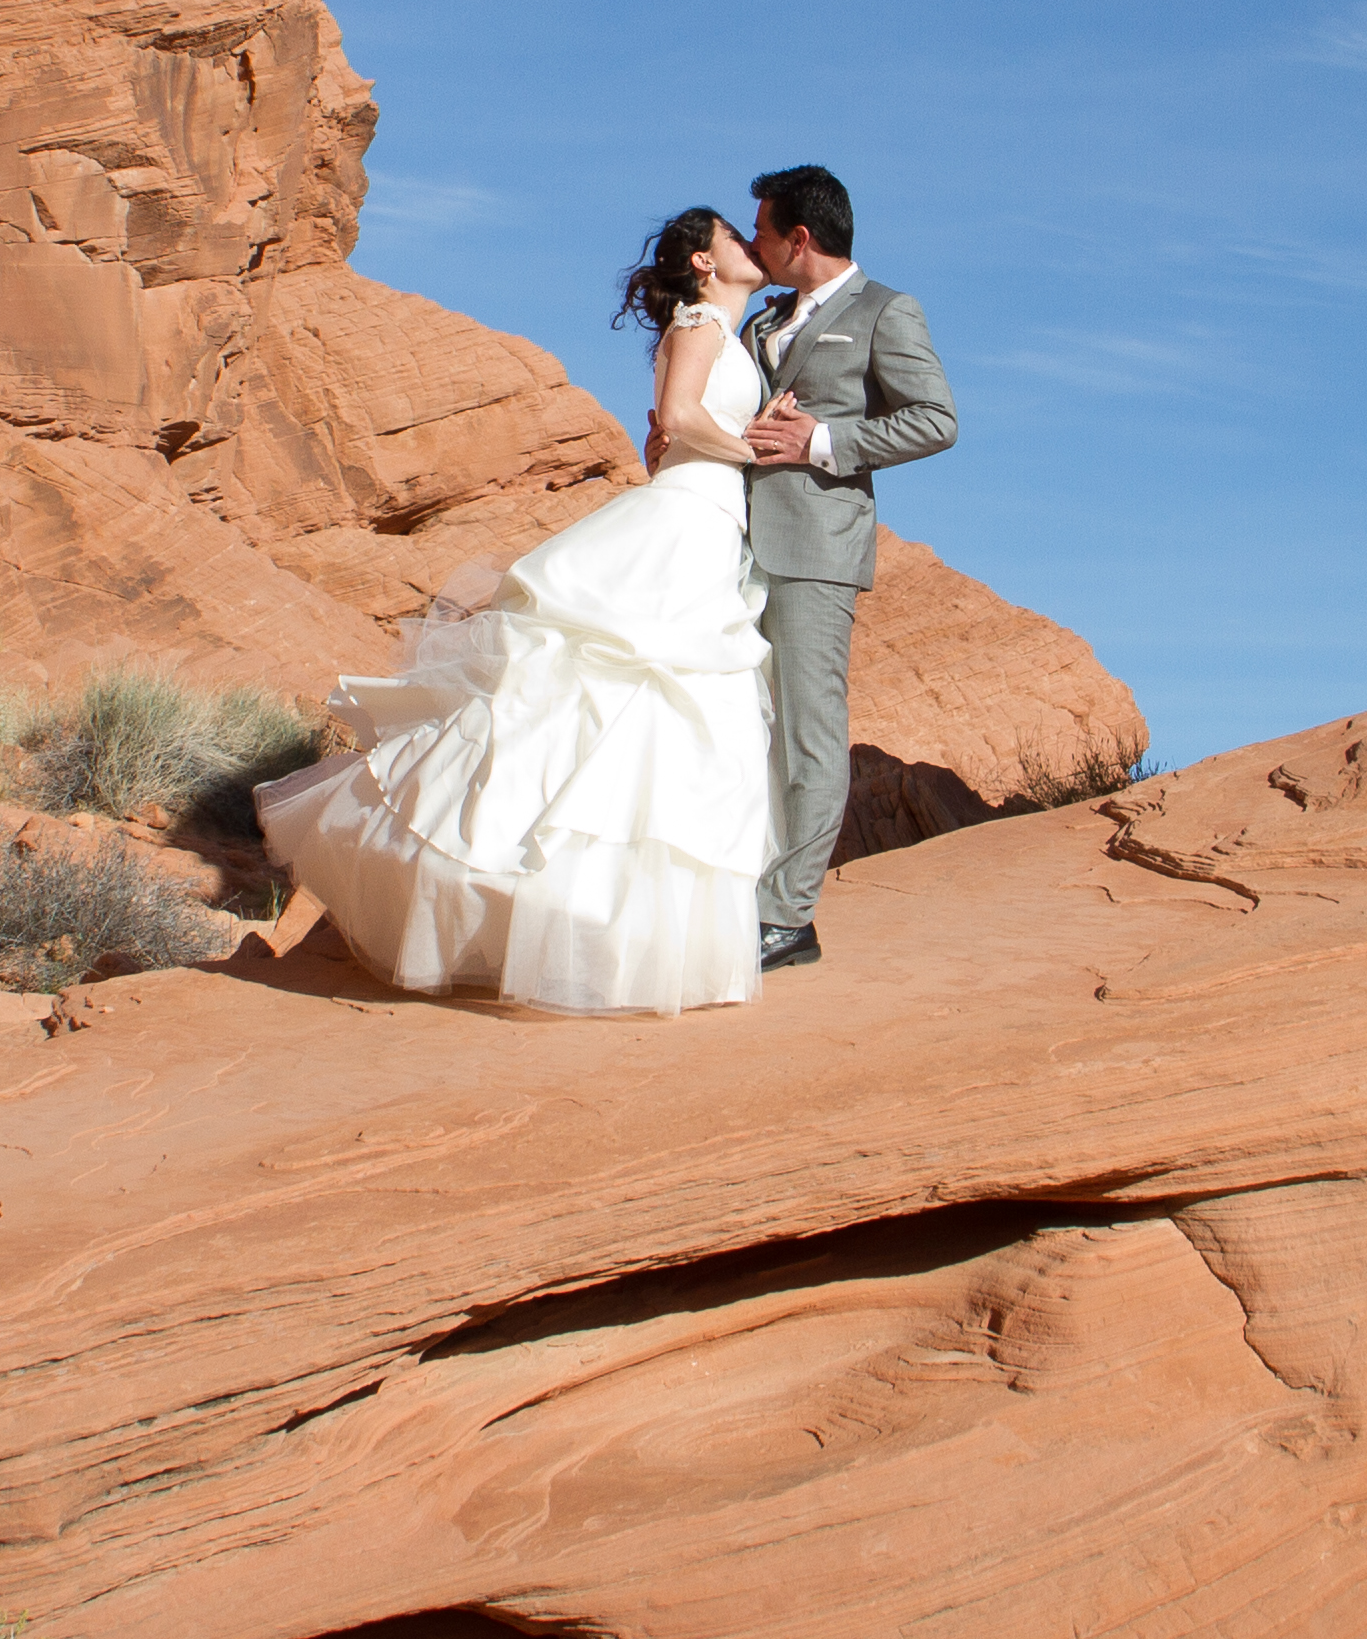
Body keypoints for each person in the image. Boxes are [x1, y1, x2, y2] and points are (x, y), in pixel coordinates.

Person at [256, 208, 781, 1012]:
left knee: (647, 703)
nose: (752, 245)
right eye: (735, 237)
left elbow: (673, 427)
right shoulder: (704, 320)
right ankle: (560, 906)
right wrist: (754, 450)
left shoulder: (725, 331)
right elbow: (676, 420)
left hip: (706, 522)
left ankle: (605, 923)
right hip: (687, 515)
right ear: (705, 263)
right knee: (624, 688)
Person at [732, 164, 957, 969]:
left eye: (761, 229)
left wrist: (822, 441)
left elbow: (936, 420)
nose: (751, 242)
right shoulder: (763, 321)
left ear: (800, 238)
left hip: (817, 551)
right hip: (735, 545)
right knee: (745, 728)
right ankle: (745, 892)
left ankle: (787, 917)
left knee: (808, 734)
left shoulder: (885, 311)